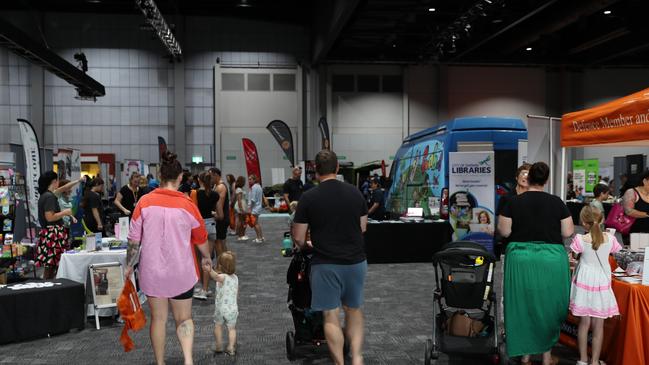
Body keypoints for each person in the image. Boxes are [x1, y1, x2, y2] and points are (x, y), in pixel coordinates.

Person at [125, 151, 211, 365]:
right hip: (182, 271)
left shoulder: (143, 203)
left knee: (159, 319)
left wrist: (128, 266)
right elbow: (201, 239)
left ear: (159, 176)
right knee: (184, 318)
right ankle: (188, 361)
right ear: (180, 177)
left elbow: (133, 241)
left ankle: (160, 363)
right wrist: (207, 258)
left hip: (152, 272)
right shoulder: (188, 205)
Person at [292, 150, 368, 365]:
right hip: (356, 262)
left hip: (325, 264)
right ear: (337, 169)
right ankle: (358, 357)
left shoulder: (308, 197)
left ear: (316, 171)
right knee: (353, 310)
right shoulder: (355, 193)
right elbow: (363, 227)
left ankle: (339, 363)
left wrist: (308, 245)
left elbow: (298, 237)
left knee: (330, 315)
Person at [498, 162, 574, 365]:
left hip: (521, 258)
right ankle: (547, 356)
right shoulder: (557, 202)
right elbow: (567, 232)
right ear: (546, 180)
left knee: (522, 306)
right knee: (550, 306)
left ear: (528, 178)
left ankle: (525, 355)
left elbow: (504, 231)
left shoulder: (513, 202)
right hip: (551, 259)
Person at [569, 206, 621, 365]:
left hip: (584, 283)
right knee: (599, 326)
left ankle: (583, 360)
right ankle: (595, 361)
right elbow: (616, 254)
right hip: (602, 284)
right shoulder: (611, 239)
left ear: (584, 223)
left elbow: (571, 258)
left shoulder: (579, 239)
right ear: (602, 220)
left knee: (584, 325)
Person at [36, 171, 76, 279]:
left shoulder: (45, 195)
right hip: (53, 234)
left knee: (51, 266)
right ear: (54, 181)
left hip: (49, 233)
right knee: (52, 266)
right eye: (57, 180)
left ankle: (49, 288)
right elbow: (50, 217)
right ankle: (50, 289)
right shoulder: (49, 197)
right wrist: (65, 212)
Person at [205, 251, 239, 356]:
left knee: (218, 326)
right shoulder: (235, 278)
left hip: (221, 308)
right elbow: (237, 293)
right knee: (232, 329)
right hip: (232, 308)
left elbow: (215, 277)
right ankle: (231, 347)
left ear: (220, 265)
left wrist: (209, 270)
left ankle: (219, 346)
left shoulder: (223, 277)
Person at [495, 163, 531, 256]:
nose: (526, 177)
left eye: (529, 175)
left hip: (530, 246)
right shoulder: (506, 198)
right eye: (523, 174)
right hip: (510, 245)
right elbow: (501, 226)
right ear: (516, 177)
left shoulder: (535, 198)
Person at [193, 172, 218, 300]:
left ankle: (203, 288)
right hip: (212, 225)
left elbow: (193, 211)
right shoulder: (215, 194)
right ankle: (205, 288)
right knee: (208, 258)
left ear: (199, 180)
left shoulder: (195, 193)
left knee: (199, 259)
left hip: (199, 226)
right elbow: (217, 213)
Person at [209, 168, 230, 255]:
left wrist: (213, 213)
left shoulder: (220, 187)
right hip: (221, 218)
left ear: (216, 175)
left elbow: (219, 206)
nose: (209, 179)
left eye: (211, 176)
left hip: (221, 219)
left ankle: (221, 265)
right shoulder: (216, 186)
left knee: (219, 242)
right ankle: (225, 265)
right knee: (221, 242)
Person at [622, 169, 649, 234]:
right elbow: (629, 211)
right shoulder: (631, 192)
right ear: (645, 181)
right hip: (636, 232)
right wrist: (647, 214)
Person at [248, 174, 264, 243]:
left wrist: (249, 208)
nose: (249, 181)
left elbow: (253, 199)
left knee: (255, 224)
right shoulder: (259, 186)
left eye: (250, 179)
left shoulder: (254, 187)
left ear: (254, 180)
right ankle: (261, 237)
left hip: (254, 208)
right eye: (249, 179)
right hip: (258, 207)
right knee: (257, 223)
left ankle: (259, 238)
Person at [233, 176, 249, 242]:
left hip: (242, 205)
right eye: (244, 181)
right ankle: (240, 235)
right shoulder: (239, 189)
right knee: (241, 221)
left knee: (242, 221)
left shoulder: (240, 188)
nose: (245, 182)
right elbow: (239, 200)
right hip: (240, 205)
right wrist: (241, 208)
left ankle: (242, 235)